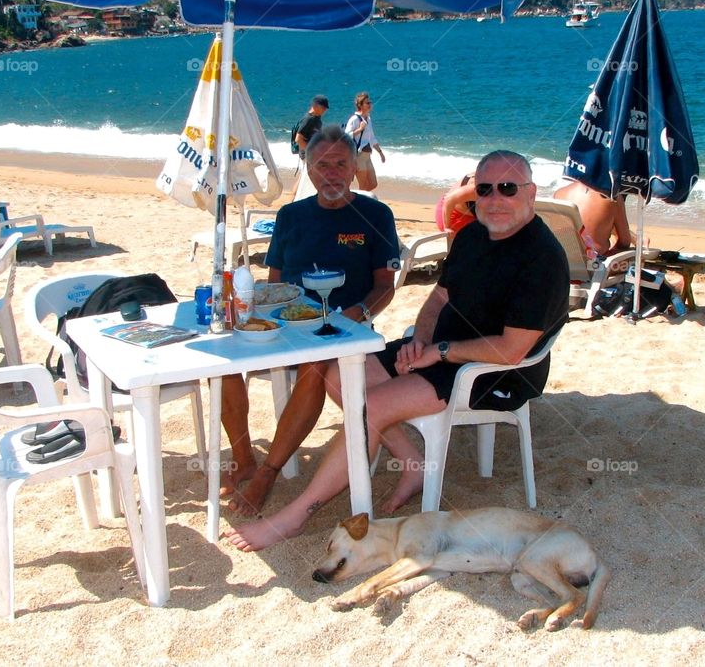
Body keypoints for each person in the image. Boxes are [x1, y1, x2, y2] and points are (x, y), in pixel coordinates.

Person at [225, 150, 570, 551]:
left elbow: (511, 350)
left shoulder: (540, 257)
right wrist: (421, 340)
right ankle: (413, 464)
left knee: (368, 409)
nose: (495, 199)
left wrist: (438, 351)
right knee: (338, 372)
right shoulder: (474, 234)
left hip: (492, 372)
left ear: (531, 193)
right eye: (484, 189)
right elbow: (439, 299)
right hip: (438, 350)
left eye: (507, 188)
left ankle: (298, 513)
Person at [219, 125, 400, 515]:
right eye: (322, 165)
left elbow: (386, 285)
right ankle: (243, 456)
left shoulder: (375, 214)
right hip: (287, 324)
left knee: (315, 363)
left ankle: (268, 472)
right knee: (223, 359)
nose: (331, 173)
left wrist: (357, 314)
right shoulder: (290, 215)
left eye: (339, 164)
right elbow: (275, 284)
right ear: (308, 170)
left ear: (353, 167)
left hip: (345, 327)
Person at [554, 180, 632, 257]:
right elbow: (624, 243)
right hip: (593, 263)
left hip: (563, 260)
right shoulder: (611, 197)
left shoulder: (559, 193)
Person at [344, 92, 386, 192]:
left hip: (368, 156)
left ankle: (357, 198)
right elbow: (345, 136)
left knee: (373, 183)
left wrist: (380, 153)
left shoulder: (368, 119)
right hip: (359, 156)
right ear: (360, 105)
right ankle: (360, 204)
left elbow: (372, 138)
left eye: (370, 102)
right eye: (367, 103)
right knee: (363, 186)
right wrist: (359, 129)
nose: (370, 104)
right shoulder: (354, 119)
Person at [434, 172, 478, 241]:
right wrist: (447, 227)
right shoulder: (479, 188)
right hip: (452, 214)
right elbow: (449, 199)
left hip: (470, 214)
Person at [294, 95, 329, 160]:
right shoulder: (308, 119)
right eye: (323, 107)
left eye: (326, 108)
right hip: (307, 156)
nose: (325, 110)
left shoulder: (317, 119)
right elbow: (298, 139)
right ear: (315, 105)